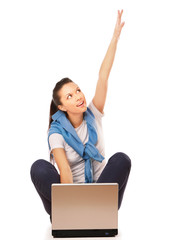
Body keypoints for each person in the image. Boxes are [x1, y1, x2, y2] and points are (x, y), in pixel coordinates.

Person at [30, 9, 131, 223]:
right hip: (70, 199)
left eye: (78, 90)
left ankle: (96, 212)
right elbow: (64, 169)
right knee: (39, 167)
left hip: (101, 195)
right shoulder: (55, 133)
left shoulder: (93, 114)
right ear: (62, 107)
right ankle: (74, 216)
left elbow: (103, 77)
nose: (78, 96)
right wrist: (72, 204)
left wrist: (115, 37)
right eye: (69, 95)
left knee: (122, 159)